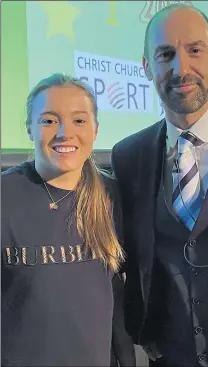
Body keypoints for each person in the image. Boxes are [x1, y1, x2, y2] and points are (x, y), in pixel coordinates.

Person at [112, 4, 208, 367]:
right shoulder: (128, 156)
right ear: (145, 67)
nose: (181, 68)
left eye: (195, 50)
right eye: (165, 54)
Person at [1, 73, 129, 367]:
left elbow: (118, 299)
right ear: (29, 129)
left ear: (95, 130)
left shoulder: (112, 196)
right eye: (48, 120)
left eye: (79, 121)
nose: (64, 132)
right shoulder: (5, 196)